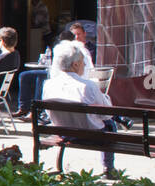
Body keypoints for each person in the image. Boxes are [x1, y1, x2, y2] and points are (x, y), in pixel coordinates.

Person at [42, 40, 117, 176]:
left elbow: (48, 113)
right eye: (83, 62)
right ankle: (108, 168)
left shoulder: (48, 85)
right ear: (75, 64)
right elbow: (107, 114)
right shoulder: (89, 86)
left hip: (63, 133)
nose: (85, 65)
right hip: (91, 136)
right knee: (111, 124)